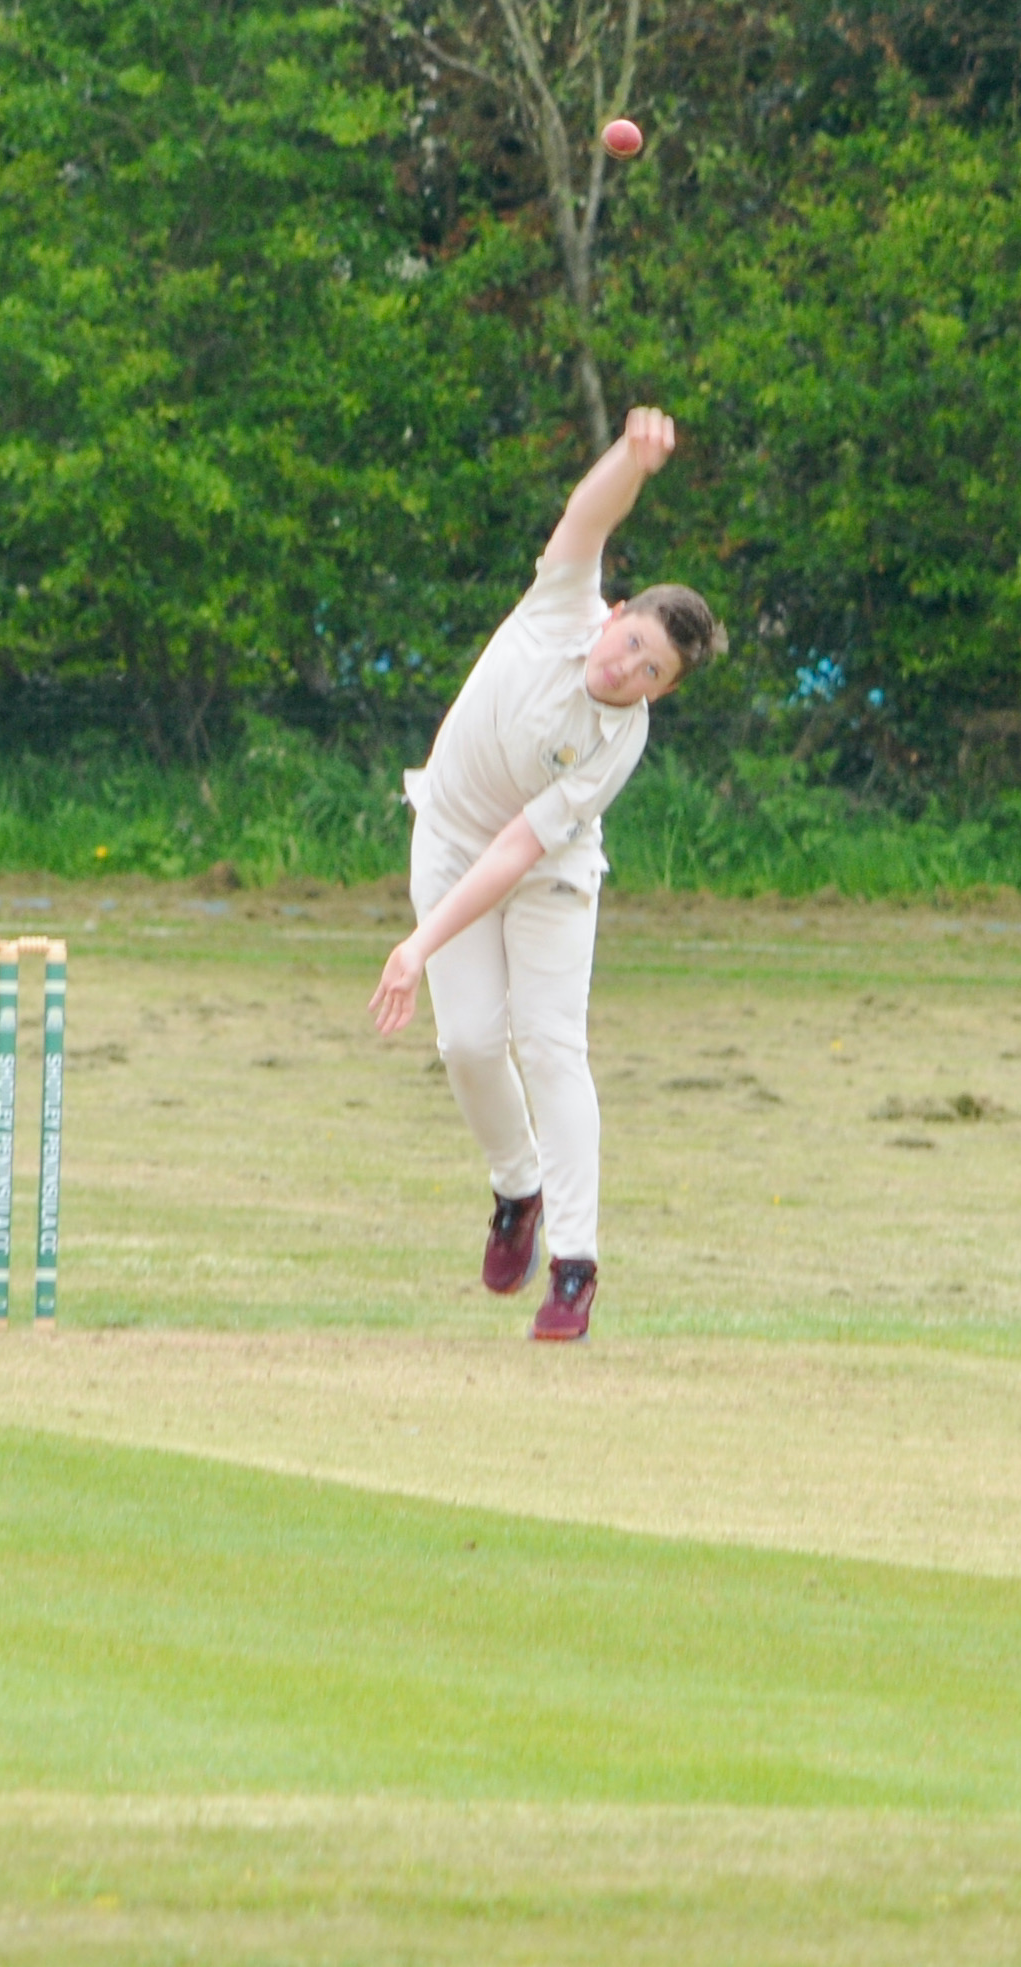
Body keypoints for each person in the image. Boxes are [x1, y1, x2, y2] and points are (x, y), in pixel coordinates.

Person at [368, 407, 721, 1341]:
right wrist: (633, 459)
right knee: (471, 1046)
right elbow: (588, 516)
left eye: (649, 672)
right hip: (448, 839)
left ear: (660, 693)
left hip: (545, 871)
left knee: (551, 1045)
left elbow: (519, 850)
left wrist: (415, 943)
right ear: (615, 614)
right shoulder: (562, 605)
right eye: (632, 640)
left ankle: (574, 1265)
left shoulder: (619, 740)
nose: (626, 665)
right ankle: (515, 1188)